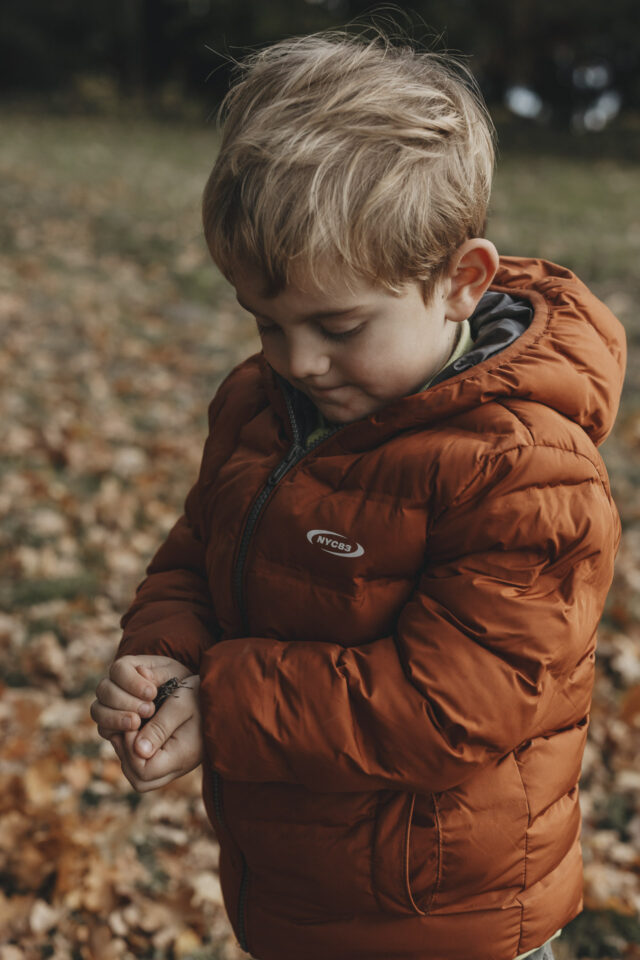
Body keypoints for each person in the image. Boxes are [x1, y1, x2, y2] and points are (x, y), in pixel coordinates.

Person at [90, 28, 627, 960]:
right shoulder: (267, 405)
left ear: (462, 282)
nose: (297, 360)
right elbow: (200, 547)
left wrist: (221, 705)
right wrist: (164, 656)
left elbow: (447, 705)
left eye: (339, 326)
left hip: (443, 918)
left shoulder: (522, 472)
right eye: (267, 321)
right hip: (298, 891)